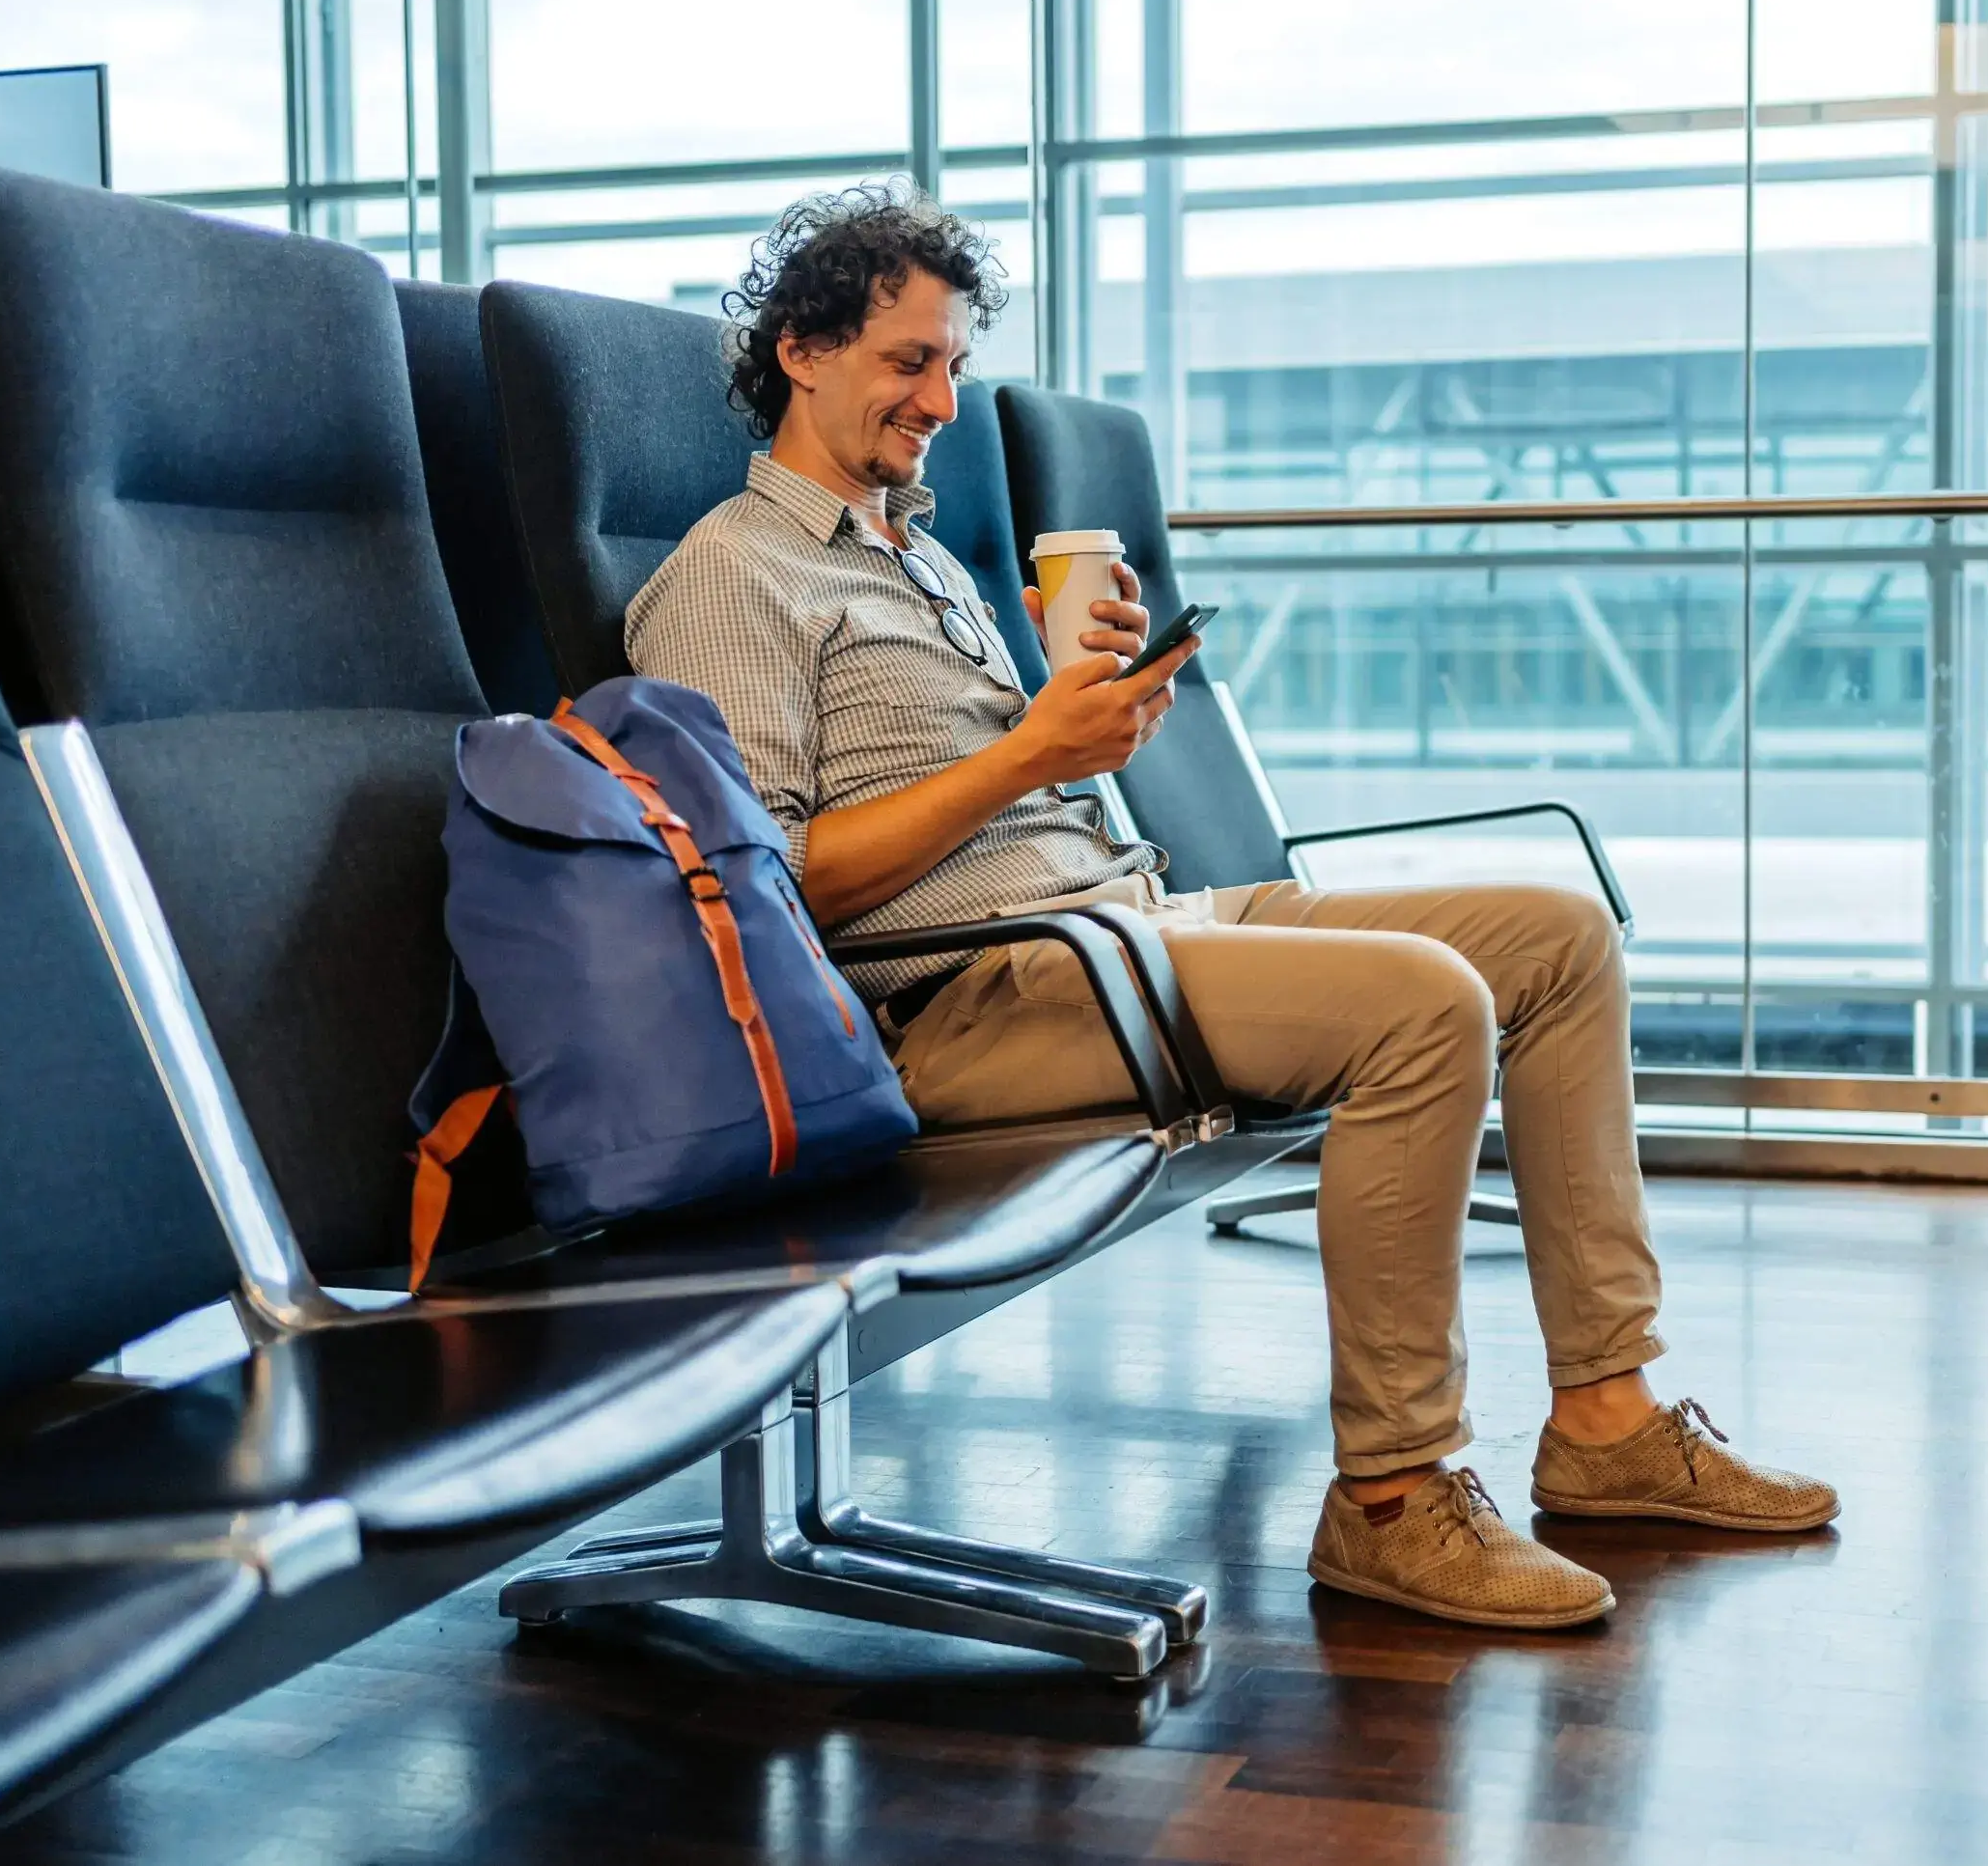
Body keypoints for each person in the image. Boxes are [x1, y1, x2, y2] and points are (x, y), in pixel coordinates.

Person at [628, 181, 1838, 1631]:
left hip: (1118, 924)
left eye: (953, 363)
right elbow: (761, 889)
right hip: (971, 998)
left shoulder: (925, 558)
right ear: (800, 353)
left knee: (1555, 938)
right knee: (1425, 1005)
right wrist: (1031, 751)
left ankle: (1607, 1419)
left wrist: (1092, 729)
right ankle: (1392, 1497)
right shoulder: (728, 574)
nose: (943, 398)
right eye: (909, 361)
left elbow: (1002, 792)